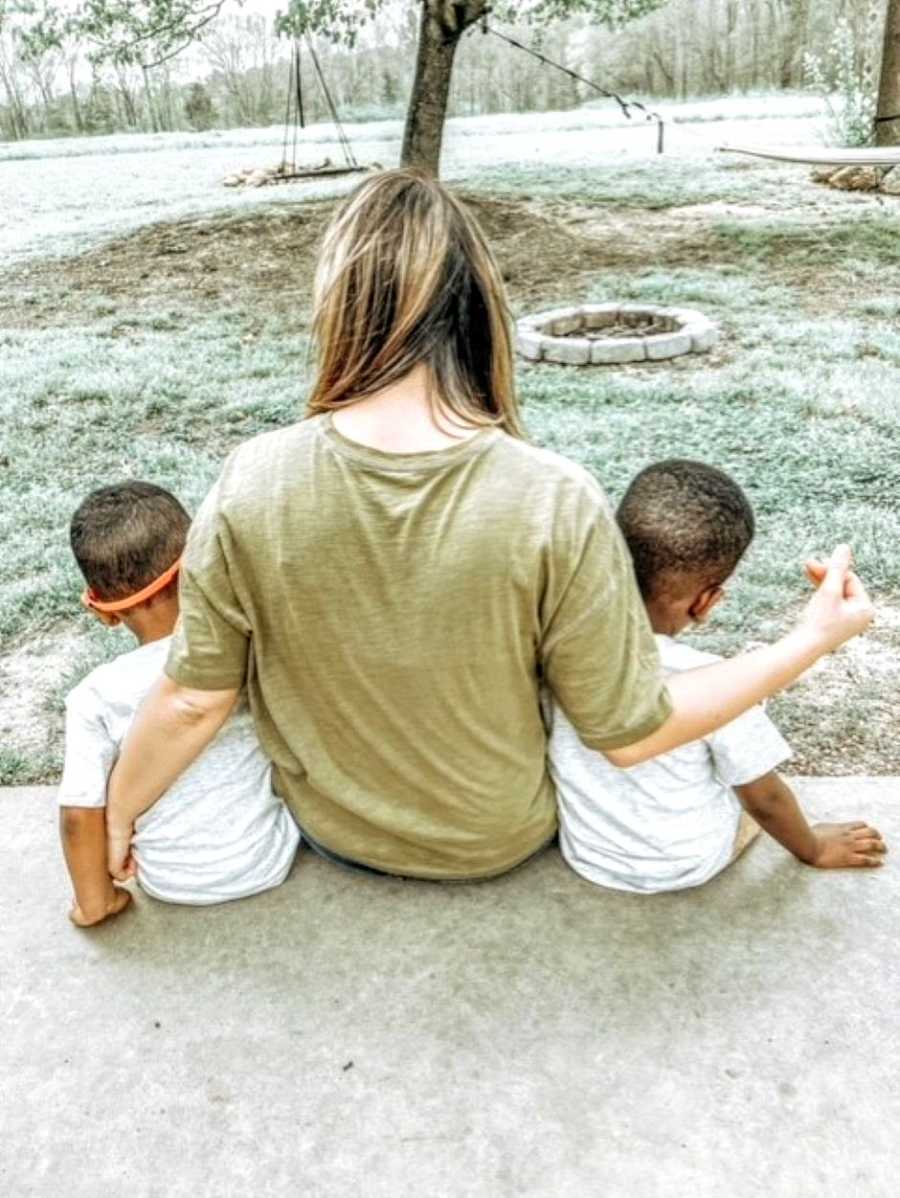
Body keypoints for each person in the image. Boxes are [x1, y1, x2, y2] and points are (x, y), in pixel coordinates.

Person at [103, 169, 874, 883]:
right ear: (480, 311)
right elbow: (631, 730)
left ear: (336, 307)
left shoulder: (250, 479)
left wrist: (117, 815)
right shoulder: (554, 496)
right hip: (499, 841)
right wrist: (809, 639)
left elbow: (191, 701)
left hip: (333, 832)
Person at [546, 460, 886, 893]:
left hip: (589, 854)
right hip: (682, 865)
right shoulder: (715, 688)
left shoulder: (562, 642)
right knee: (738, 799)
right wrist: (814, 848)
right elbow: (765, 800)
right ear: (706, 601)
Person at [59, 482, 299, 926]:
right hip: (269, 856)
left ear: (103, 612)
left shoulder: (94, 698)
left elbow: (79, 812)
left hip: (170, 881)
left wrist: (96, 903)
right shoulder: (245, 647)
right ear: (198, 565)